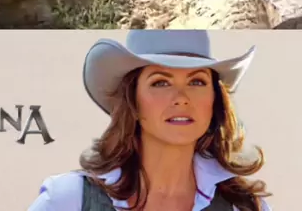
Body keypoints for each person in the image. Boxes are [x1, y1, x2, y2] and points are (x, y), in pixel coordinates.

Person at [27, 29, 271, 211]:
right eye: (160, 83)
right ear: (132, 101)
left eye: (197, 81)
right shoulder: (68, 200)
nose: (181, 98)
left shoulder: (245, 207)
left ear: (215, 100)